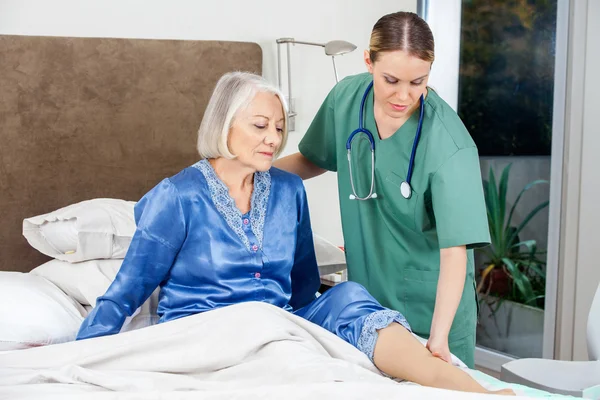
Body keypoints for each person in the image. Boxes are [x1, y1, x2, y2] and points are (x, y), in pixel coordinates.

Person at [76, 72, 512, 395]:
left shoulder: (287, 190)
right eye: (260, 126)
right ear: (224, 124)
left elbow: (302, 286)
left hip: (278, 323)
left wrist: (320, 324)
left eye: (280, 128)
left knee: (346, 296)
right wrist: (80, 354)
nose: (273, 139)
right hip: (205, 335)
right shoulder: (177, 196)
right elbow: (127, 292)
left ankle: (465, 387)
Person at [274, 11, 490, 368]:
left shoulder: (450, 145)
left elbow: (456, 253)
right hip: (367, 305)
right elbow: (313, 159)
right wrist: (250, 172)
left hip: (431, 313)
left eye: (417, 82)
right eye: (391, 80)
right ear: (368, 62)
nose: (404, 96)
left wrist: (438, 339)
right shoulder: (346, 98)